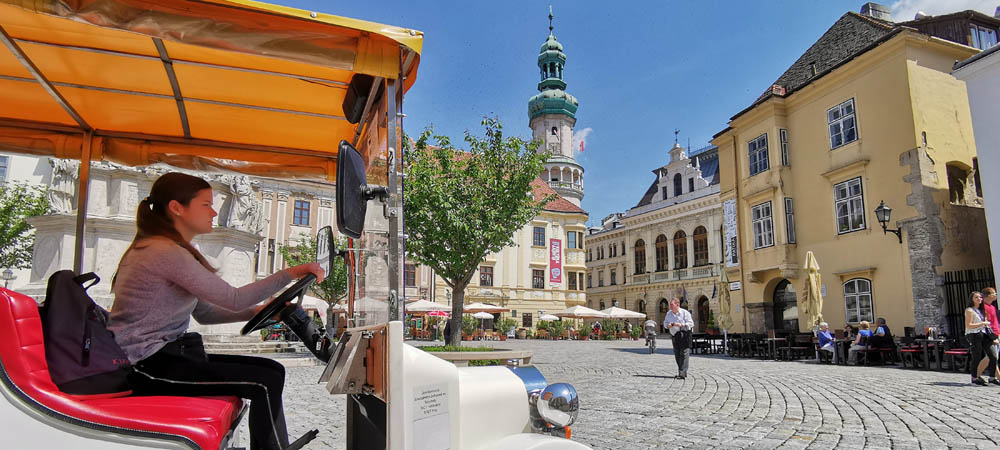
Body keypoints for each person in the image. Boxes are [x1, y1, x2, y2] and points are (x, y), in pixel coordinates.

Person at [108, 173, 325, 450]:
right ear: (177, 207)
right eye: (205, 205)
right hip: (144, 365)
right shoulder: (162, 252)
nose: (214, 212)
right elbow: (233, 298)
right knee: (265, 380)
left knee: (272, 370)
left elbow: (206, 314)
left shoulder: (169, 249)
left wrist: (263, 310)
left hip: (163, 357)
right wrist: (292, 272)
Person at [966, 291, 998, 386]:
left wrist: (993, 337)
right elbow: (969, 325)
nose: (979, 299)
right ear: (972, 299)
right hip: (975, 335)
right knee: (977, 356)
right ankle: (975, 377)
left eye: (980, 297)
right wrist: (983, 323)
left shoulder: (983, 310)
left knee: (993, 356)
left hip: (985, 334)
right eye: (976, 297)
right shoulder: (969, 310)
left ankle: (992, 377)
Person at [663, 298, 694, 379]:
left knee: (684, 353)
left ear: (678, 305)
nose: (670, 306)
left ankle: (682, 373)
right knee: (677, 354)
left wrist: (681, 324)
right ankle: (682, 371)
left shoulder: (685, 313)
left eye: (672, 304)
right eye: (670, 304)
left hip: (684, 335)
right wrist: (668, 325)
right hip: (674, 336)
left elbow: (691, 323)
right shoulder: (668, 314)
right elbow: (665, 323)